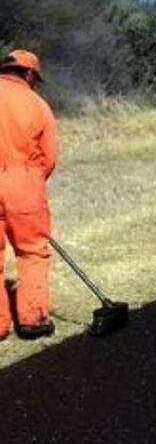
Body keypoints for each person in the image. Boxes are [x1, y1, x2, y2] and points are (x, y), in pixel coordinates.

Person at [0, 50, 58, 340]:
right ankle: (32, 319)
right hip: (23, 183)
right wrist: (33, 180)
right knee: (32, 251)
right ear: (29, 74)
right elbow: (49, 157)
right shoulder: (37, 105)